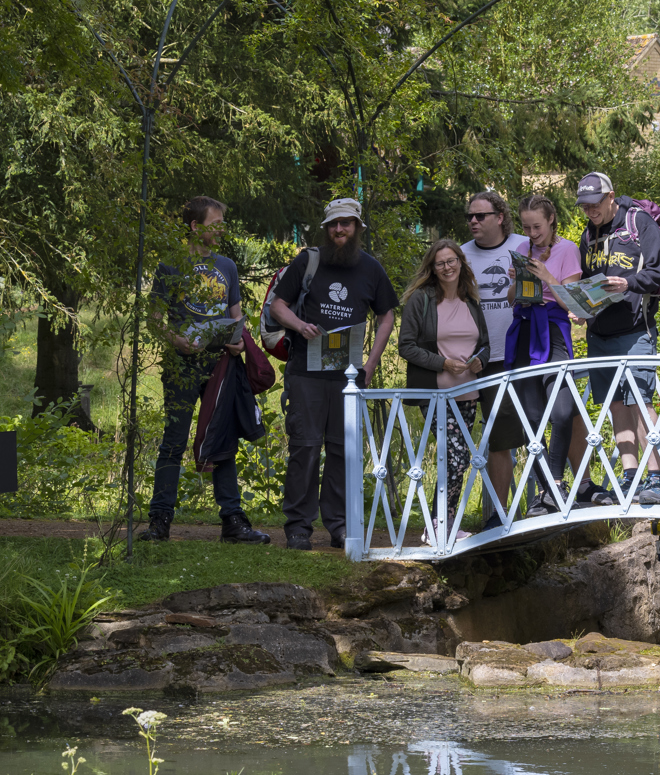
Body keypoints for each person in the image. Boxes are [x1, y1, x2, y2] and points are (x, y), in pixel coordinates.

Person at [270, 198, 398, 551]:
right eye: (333, 224)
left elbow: (386, 315)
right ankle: (298, 527)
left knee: (343, 451)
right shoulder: (308, 261)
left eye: (346, 223)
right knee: (305, 449)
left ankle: (339, 526)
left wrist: (371, 363)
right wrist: (300, 325)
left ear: (358, 227)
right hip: (306, 373)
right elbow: (277, 305)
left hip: (348, 378)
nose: (339, 230)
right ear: (325, 228)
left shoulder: (371, 269)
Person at [140, 196, 270, 544]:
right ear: (196, 227)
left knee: (222, 440)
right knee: (173, 441)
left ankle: (233, 521)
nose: (221, 231)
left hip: (221, 365)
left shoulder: (227, 265)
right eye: (216, 225)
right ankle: (160, 521)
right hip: (182, 365)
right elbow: (154, 320)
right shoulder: (170, 265)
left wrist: (240, 342)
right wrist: (176, 340)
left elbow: (236, 317)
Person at [575, 172, 660, 505]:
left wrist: (627, 284)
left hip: (634, 330)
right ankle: (630, 476)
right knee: (616, 405)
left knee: (641, 401)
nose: (590, 211)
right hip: (599, 333)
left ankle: (655, 478)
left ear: (611, 196)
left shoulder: (638, 222)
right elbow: (589, 282)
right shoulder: (589, 235)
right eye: (584, 206)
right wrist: (581, 306)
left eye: (595, 204)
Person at [398, 239, 490, 541]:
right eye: (441, 263)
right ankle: (435, 524)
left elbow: (485, 345)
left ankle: (446, 523)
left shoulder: (471, 301)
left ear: (461, 263)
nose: (447, 267)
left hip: (468, 393)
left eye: (452, 261)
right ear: (433, 268)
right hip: (436, 394)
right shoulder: (421, 300)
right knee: (456, 456)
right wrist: (442, 363)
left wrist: (480, 360)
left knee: (458, 459)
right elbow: (406, 346)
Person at [502, 195, 583, 515]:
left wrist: (548, 278)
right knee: (531, 419)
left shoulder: (568, 250)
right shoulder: (521, 250)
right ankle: (547, 490)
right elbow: (511, 299)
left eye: (536, 226)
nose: (531, 233)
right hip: (523, 330)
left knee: (562, 412)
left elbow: (575, 306)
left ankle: (557, 482)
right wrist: (515, 282)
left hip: (552, 331)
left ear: (551, 220)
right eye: (525, 227)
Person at [460, 191, 528, 519]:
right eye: (470, 217)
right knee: (470, 439)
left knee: (516, 433)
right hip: (471, 361)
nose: (473, 221)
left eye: (480, 216)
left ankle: (511, 511)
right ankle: (467, 516)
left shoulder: (523, 246)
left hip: (517, 355)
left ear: (499, 217)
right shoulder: (460, 256)